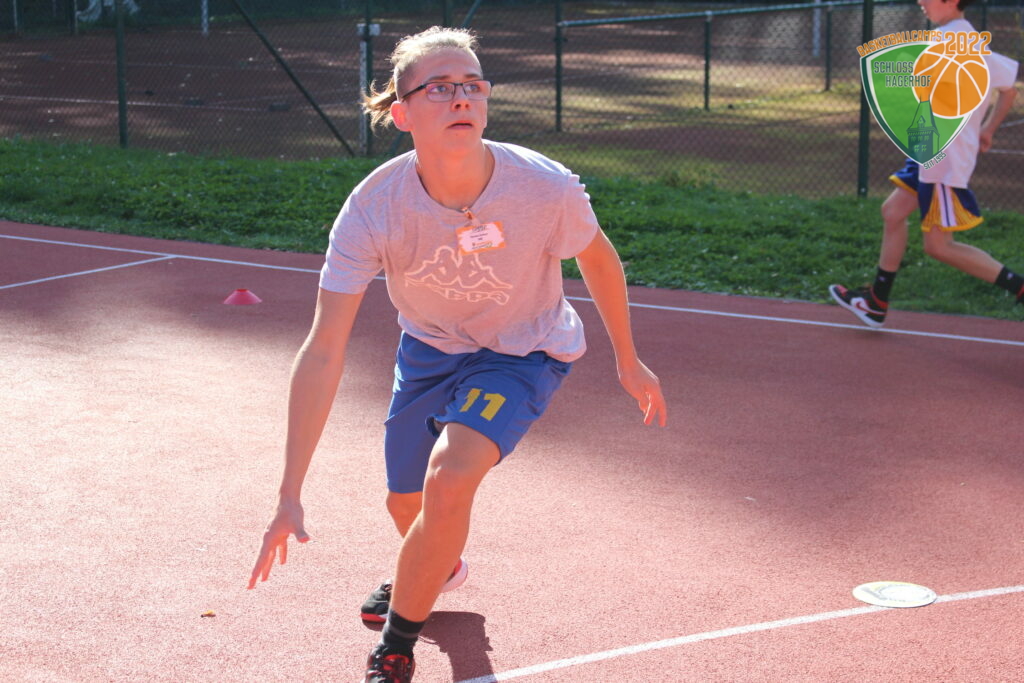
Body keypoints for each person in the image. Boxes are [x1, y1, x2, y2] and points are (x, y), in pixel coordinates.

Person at [247, 26, 667, 683]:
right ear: (402, 114)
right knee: (407, 505)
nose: (462, 97)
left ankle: (396, 646)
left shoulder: (542, 186)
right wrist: (289, 492)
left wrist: (627, 358)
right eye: (440, 88)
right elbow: (324, 348)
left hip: (523, 351)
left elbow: (598, 258)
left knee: (450, 475)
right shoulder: (373, 209)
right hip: (429, 350)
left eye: (473, 85)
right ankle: (435, 567)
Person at [830, 0, 1021, 328]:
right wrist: (987, 129)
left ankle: (1019, 286)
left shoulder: (952, 40)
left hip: (944, 159)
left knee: (939, 246)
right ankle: (876, 302)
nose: (921, 0)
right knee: (893, 212)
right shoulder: (965, 39)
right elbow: (1008, 90)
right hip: (930, 152)